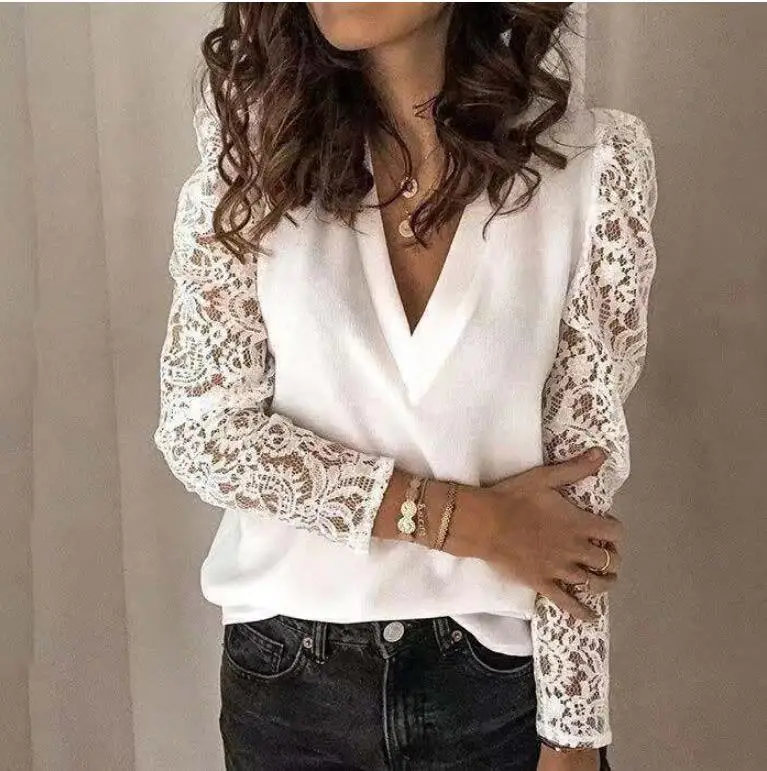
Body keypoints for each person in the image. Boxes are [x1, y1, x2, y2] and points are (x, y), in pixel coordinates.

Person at [153, 3, 658, 770]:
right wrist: (470, 523)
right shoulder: (259, 158)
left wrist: (572, 734)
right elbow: (204, 432)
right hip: (291, 683)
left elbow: (574, 495)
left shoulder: (592, 167)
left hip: (497, 686)